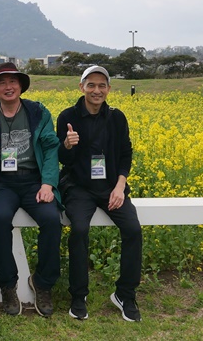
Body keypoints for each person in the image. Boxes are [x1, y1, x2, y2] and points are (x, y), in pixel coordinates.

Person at [0, 62, 62, 317]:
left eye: (12, 82)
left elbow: (51, 147)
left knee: (52, 220)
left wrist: (47, 184)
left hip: (34, 180)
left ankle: (42, 283)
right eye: (1, 82)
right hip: (2, 183)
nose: (8, 87)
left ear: (20, 86)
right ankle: (7, 285)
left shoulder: (37, 112)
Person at [57, 66, 143, 322]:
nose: (97, 90)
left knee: (133, 230)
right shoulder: (67, 116)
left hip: (111, 187)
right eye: (91, 85)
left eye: (102, 85)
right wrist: (67, 145)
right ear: (81, 87)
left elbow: (126, 154)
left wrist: (120, 186)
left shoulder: (117, 117)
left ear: (108, 89)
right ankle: (78, 294)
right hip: (79, 187)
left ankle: (125, 294)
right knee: (80, 230)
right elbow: (62, 159)